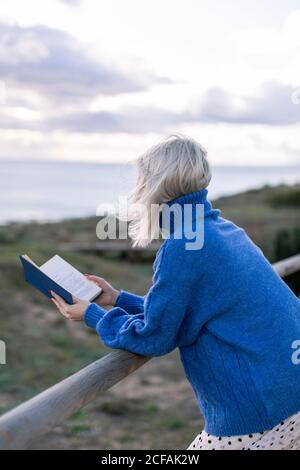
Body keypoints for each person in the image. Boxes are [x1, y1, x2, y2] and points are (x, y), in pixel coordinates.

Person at [51, 135, 300, 450]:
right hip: (289, 392)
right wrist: (116, 299)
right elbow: (185, 313)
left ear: (154, 185)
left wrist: (92, 314)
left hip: (259, 412)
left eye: (141, 180)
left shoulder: (183, 245)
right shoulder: (224, 229)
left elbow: (155, 336)